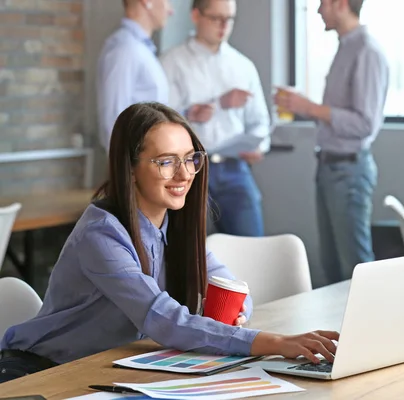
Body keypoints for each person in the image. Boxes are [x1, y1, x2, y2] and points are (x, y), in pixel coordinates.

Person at [0, 103, 338, 384]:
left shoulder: (170, 223)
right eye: (165, 161)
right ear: (130, 169)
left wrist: (236, 314)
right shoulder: (101, 235)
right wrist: (276, 343)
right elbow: (163, 319)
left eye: (190, 158)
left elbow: (231, 287)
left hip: (105, 367)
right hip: (37, 372)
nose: (184, 173)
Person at [274, 0, 389, 284]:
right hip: (330, 169)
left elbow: (364, 124)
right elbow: (337, 117)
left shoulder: (367, 52)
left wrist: (310, 107)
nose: (317, 10)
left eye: (322, 3)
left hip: (348, 172)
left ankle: (370, 328)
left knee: (355, 266)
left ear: (340, 4)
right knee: (333, 266)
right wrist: (303, 107)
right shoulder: (346, 47)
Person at [161, 0, 270, 237]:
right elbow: (161, 123)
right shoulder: (172, 62)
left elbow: (260, 121)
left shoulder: (243, 66)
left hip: (235, 169)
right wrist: (206, 108)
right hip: (188, 170)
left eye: (229, 19)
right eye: (216, 18)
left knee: (252, 247)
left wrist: (259, 146)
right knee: (186, 249)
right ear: (196, 15)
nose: (224, 25)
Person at [96, 0, 173, 152]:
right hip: (137, 167)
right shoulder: (125, 49)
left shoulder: (140, 49)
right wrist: (128, 172)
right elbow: (113, 121)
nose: (171, 10)